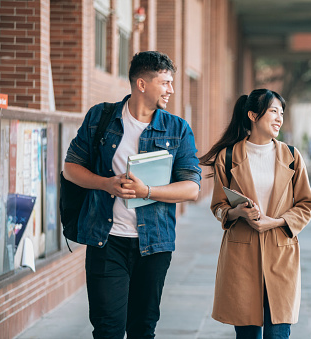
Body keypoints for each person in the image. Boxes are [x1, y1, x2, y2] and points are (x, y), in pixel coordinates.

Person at [63, 51, 201, 339]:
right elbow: (70, 169)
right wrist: (106, 184)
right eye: (165, 83)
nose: (171, 90)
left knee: (142, 329)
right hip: (106, 242)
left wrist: (146, 191)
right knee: (107, 329)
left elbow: (191, 188)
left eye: (171, 83)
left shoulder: (177, 129)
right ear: (141, 84)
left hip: (154, 246)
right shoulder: (100, 118)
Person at [200, 89, 311, 339]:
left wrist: (276, 221)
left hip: (280, 253)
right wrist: (237, 212)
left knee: (278, 333)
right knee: (248, 335)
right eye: (273, 111)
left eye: (281, 113)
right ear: (253, 115)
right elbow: (218, 207)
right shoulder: (228, 157)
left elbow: (307, 205)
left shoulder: (293, 157)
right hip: (241, 257)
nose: (279, 118)